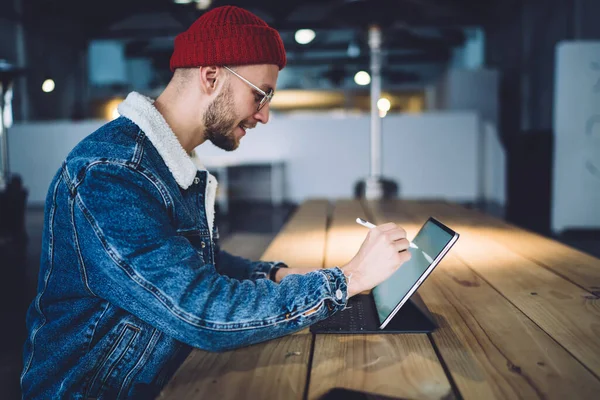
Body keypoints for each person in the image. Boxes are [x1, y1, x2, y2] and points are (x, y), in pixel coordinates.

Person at [21, 6, 411, 399]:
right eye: (260, 95)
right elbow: (201, 313)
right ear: (211, 76)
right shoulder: (111, 174)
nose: (264, 115)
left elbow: (195, 263)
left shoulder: (167, 161)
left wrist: (280, 275)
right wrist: (348, 280)